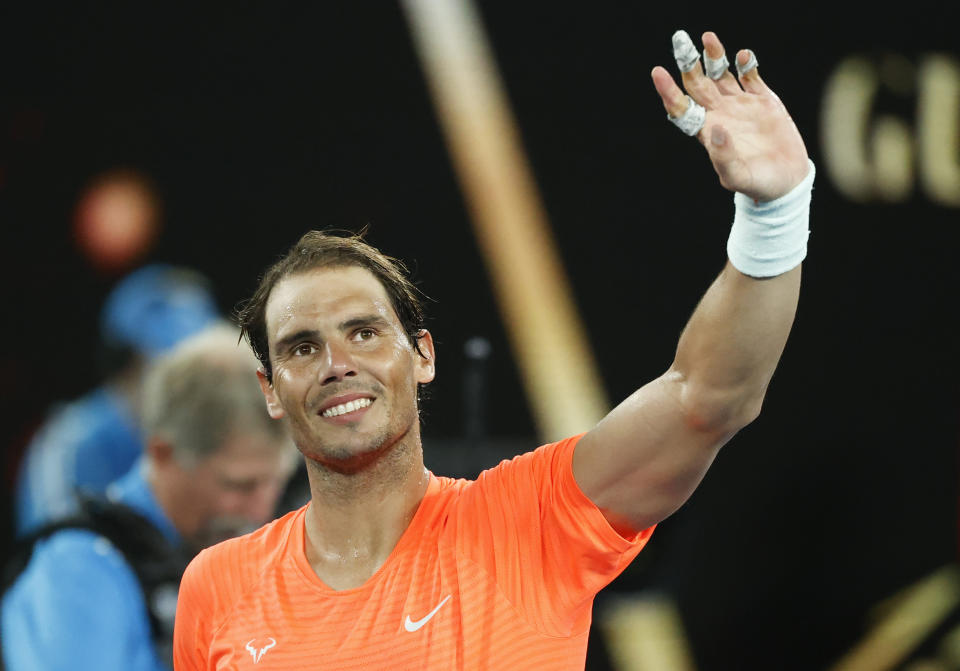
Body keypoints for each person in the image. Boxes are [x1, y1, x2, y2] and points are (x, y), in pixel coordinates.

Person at [173, 29, 815, 669]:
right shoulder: (217, 585)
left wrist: (775, 213)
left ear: (423, 354)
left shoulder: (529, 525)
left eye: (364, 332)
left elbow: (707, 397)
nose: (338, 365)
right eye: (302, 347)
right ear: (270, 389)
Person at [2, 324, 297, 671]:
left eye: (274, 483)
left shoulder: (235, 562)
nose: (261, 510)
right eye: (239, 486)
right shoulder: (77, 573)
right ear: (162, 453)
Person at [14, 263, 220, 535]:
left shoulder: (210, 440)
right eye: (169, 365)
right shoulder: (68, 443)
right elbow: (56, 556)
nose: (187, 385)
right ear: (127, 363)